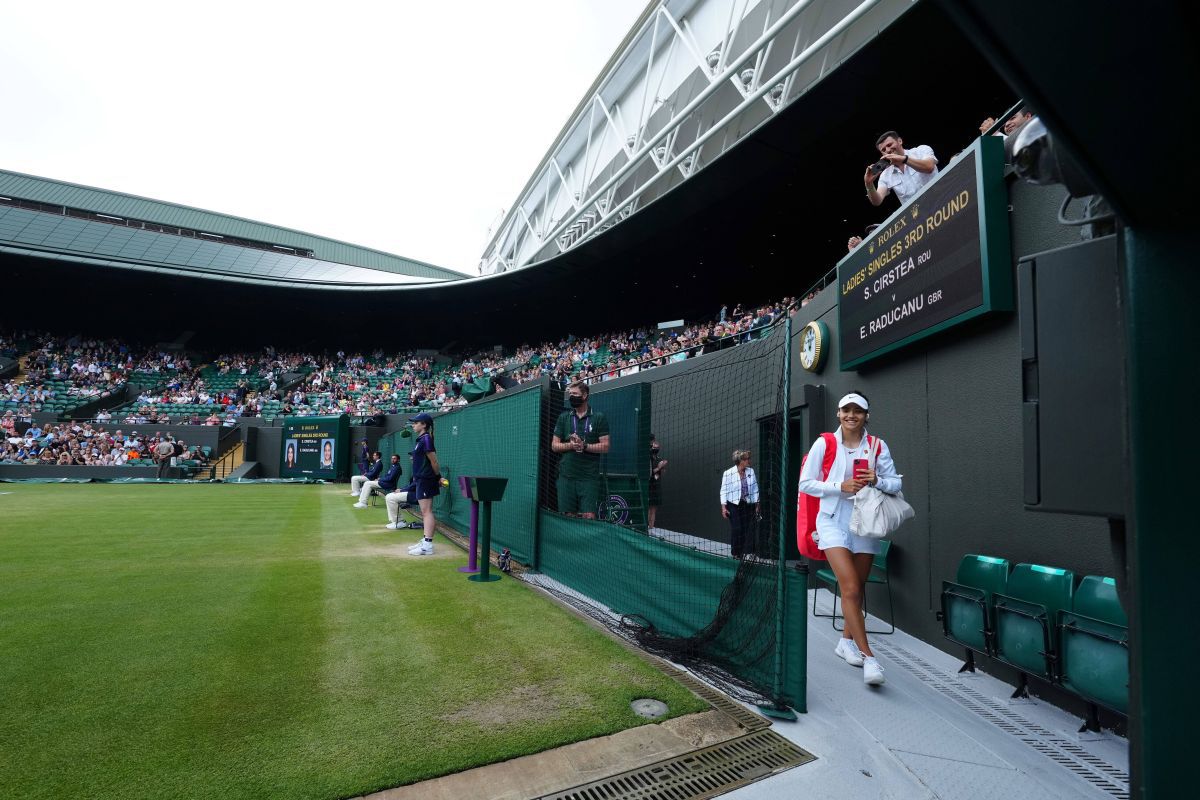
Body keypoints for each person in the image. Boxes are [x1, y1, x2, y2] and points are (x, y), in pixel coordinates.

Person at [797, 391, 901, 687]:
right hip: (831, 522)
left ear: (866, 415)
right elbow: (805, 482)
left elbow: (895, 483)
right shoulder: (825, 443)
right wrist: (838, 486)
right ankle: (870, 657)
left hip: (865, 523)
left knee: (856, 591)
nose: (851, 415)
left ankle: (845, 642)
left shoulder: (877, 446)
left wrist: (876, 480)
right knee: (851, 586)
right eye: (846, 410)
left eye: (858, 410)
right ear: (839, 413)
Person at [550, 381, 611, 519]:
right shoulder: (564, 417)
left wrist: (585, 446)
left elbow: (605, 446)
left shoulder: (598, 417)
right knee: (567, 516)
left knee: (588, 516)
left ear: (584, 395)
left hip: (588, 478)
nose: (571, 396)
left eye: (575, 394)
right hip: (566, 477)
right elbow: (554, 446)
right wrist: (571, 446)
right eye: (570, 394)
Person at [400, 413, 441, 554]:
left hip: (426, 479)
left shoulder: (426, 439)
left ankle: (427, 546)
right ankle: (425, 541)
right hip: (421, 479)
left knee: (426, 511)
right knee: (425, 512)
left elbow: (434, 462)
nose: (413, 425)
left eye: (416, 422)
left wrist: (438, 477)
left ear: (424, 424)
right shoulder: (421, 439)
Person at [864, 131, 938, 207]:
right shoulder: (885, 175)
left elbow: (929, 167)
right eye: (883, 150)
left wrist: (903, 159)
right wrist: (868, 184)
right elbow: (877, 201)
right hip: (918, 215)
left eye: (889, 145)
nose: (888, 150)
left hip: (941, 200)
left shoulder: (921, 150)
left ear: (900, 141)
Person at [719, 450, 760, 557]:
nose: (749, 461)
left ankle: (745, 552)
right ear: (740, 461)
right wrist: (724, 507)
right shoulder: (728, 473)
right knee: (737, 528)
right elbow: (723, 490)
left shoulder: (751, 472)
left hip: (747, 504)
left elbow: (755, 489)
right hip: (733, 505)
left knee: (747, 529)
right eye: (746, 459)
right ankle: (735, 553)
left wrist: (757, 505)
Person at [648, 434, 667, 530]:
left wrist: (662, 467)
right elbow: (651, 473)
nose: (656, 448)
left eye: (657, 447)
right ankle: (646, 528)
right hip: (649, 486)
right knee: (648, 508)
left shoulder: (659, 459)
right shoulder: (648, 458)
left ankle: (651, 528)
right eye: (654, 447)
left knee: (654, 509)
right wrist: (659, 467)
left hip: (657, 487)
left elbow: (662, 472)